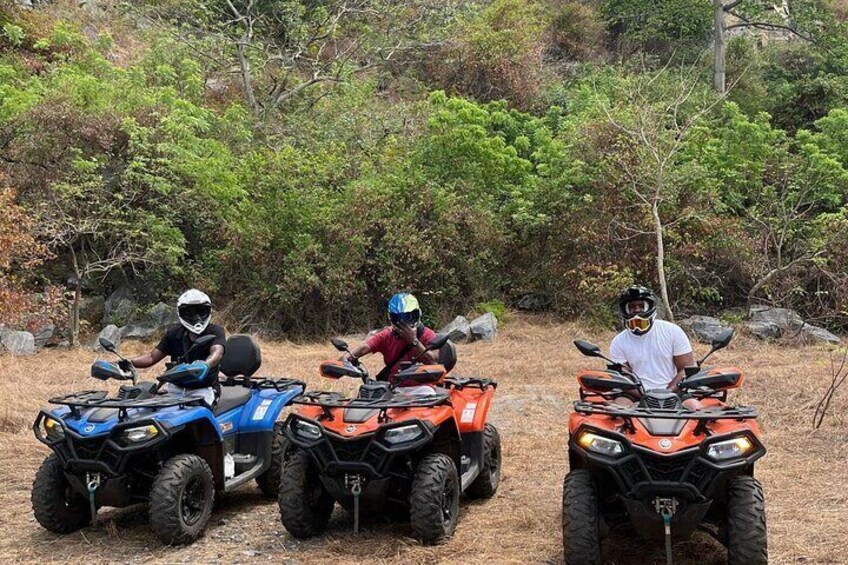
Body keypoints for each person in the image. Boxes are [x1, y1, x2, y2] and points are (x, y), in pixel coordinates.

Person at [121, 289, 225, 408]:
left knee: (194, 418)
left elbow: (217, 352)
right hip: (175, 390)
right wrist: (126, 363)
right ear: (181, 313)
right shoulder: (174, 333)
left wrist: (206, 364)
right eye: (190, 313)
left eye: (201, 311)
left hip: (203, 390)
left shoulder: (215, 331)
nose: (196, 317)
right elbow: (151, 357)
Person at [609, 285, 701, 410]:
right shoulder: (618, 342)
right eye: (631, 307)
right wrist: (646, 396)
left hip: (673, 391)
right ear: (625, 310)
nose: (636, 311)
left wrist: (668, 392)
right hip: (636, 394)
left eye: (641, 306)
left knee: (696, 408)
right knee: (615, 410)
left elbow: (686, 369)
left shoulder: (672, 331)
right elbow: (625, 377)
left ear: (650, 307)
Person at [344, 292, 438, 393]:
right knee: (366, 395)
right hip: (393, 389)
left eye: (409, 316)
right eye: (398, 318)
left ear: (417, 315)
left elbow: (433, 362)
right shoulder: (386, 335)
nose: (403, 322)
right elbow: (364, 347)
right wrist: (345, 359)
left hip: (421, 388)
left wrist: (413, 341)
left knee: (427, 393)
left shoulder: (427, 335)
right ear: (391, 318)